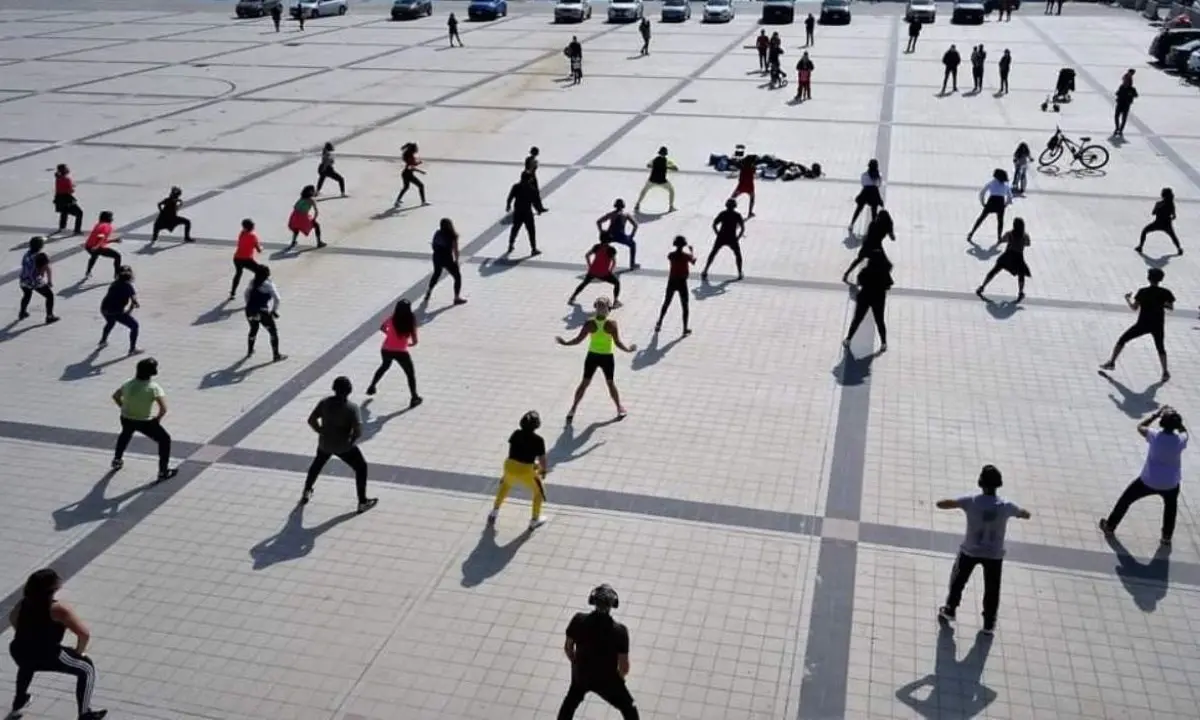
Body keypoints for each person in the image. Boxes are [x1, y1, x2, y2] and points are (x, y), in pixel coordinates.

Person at [936, 465, 1031, 635]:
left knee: (958, 580)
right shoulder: (1006, 506)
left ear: (980, 483)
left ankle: (950, 609)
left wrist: (944, 502)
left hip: (970, 551)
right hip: (994, 555)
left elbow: (944, 504)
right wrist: (1023, 513)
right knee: (992, 588)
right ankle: (989, 622)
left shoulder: (971, 501)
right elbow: (1024, 514)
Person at [7, 568, 108, 720]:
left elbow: (12, 619)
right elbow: (84, 634)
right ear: (52, 587)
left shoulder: (24, 603)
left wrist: (26, 637)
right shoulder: (58, 609)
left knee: (27, 666)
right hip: (47, 654)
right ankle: (85, 713)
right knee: (86, 668)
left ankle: (20, 700)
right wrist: (79, 653)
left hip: (19, 649)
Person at [1099, 406, 1188, 547]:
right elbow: (1184, 432)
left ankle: (1110, 526)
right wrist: (1177, 421)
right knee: (1170, 509)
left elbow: (1140, 426)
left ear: (1162, 423)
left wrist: (1156, 415)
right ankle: (1166, 537)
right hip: (1171, 483)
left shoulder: (1154, 436)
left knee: (1126, 499)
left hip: (1148, 480)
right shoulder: (1180, 440)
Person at [556, 584, 639, 720]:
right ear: (612, 605)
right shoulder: (620, 631)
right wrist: (618, 680)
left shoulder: (578, 620)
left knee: (569, 704)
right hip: (607, 679)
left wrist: (576, 663)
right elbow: (624, 667)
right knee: (629, 707)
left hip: (581, 674)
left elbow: (568, 648)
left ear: (593, 601)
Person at [302, 376, 378, 513]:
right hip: (343, 446)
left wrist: (321, 431)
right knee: (361, 467)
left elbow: (311, 420)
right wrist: (351, 441)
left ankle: (307, 490)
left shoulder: (324, 402)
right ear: (349, 390)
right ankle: (362, 501)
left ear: (334, 389)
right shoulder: (352, 408)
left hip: (325, 443)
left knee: (317, 464)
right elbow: (358, 431)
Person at [557, 297, 636, 423]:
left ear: (596, 309)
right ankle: (619, 408)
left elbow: (578, 340)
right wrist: (628, 350)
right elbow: (617, 343)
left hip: (592, 356)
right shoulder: (611, 324)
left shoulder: (589, 323)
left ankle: (573, 409)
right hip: (606, 357)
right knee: (610, 383)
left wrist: (566, 343)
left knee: (584, 383)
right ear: (608, 309)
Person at [1100, 268, 1174, 382]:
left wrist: (1127, 299)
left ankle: (1112, 362)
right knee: (1160, 348)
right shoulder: (1166, 292)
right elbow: (1170, 307)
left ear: (1149, 278)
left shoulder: (1143, 291)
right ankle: (1165, 372)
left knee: (1123, 339)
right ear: (1161, 279)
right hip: (1158, 324)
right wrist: (1160, 304)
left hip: (1143, 323)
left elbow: (1134, 308)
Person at [110, 356, 178, 480]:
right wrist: (157, 419)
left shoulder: (128, 383)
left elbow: (115, 396)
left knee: (125, 434)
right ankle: (163, 471)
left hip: (126, 417)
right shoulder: (153, 387)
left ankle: (117, 459)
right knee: (164, 440)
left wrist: (123, 407)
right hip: (144, 421)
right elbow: (163, 409)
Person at [487, 411, 549, 529]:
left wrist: (533, 464)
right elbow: (542, 460)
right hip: (526, 471)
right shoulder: (539, 440)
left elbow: (516, 452)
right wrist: (543, 470)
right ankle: (534, 520)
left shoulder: (516, 434)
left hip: (510, 466)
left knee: (505, 486)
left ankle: (494, 511)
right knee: (538, 493)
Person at [366, 299, 422, 406]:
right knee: (410, 374)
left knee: (384, 366)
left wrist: (389, 335)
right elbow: (414, 340)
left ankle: (372, 386)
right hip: (401, 352)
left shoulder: (392, 318)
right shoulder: (411, 320)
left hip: (386, 349)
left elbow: (382, 327)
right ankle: (414, 397)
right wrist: (410, 343)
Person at [842, 248, 892, 352]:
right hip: (878, 298)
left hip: (865, 297)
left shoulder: (865, 271)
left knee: (857, 319)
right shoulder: (884, 272)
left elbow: (860, 281)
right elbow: (888, 285)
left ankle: (848, 339)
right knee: (880, 321)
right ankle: (883, 343)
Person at [975, 217, 1031, 302]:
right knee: (1021, 274)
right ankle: (1020, 292)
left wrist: (999, 242)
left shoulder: (1010, 233)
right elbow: (1028, 244)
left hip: (1007, 256)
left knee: (994, 270)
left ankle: (982, 286)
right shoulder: (1025, 235)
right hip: (1018, 258)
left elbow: (1003, 240)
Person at [244, 265, 285, 362]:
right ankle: (276, 355)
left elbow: (246, 294)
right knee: (273, 332)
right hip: (262, 311)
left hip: (250, 311)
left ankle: (250, 350)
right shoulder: (268, 284)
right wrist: (274, 310)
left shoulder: (252, 282)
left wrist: (249, 305)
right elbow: (277, 299)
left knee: (253, 328)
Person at [424, 218, 467, 306]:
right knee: (457, 277)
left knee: (436, 274)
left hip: (436, 256)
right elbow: (455, 250)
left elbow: (433, 244)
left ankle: (429, 290)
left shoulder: (437, 233)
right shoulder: (453, 236)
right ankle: (456, 297)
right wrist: (456, 261)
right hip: (447, 258)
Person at [842, 209, 894, 283]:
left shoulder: (873, 223)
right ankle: (879, 279)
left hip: (867, 245)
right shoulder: (886, 226)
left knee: (858, 260)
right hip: (877, 247)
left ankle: (847, 273)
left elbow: (868, 235)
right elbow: (892, 238)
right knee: (887, 265)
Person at [568, 236, 621, 306]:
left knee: (584, 283)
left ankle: (572, 297)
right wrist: (610, 271)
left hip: (592, 271)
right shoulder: (611, 249)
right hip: (604, 273)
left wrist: (590, 266)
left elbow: (587, 255)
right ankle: (616, 301)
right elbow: (614, 262)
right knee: (617, 283)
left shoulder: (596, 247)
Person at [657, 236, 694, 335]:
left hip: (672, 281)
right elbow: (693, 261)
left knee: (666, 302)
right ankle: (684, 328)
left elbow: (671, 258)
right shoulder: (686, 256)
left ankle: (659, 322)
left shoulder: (671, 255)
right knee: (685, 306)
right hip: (682, 282)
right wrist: (691, 251)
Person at [99, 265, 139, 354]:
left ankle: (102, 341)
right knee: (134, 326)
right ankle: (132, 349)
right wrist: (129, 311)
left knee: (110, 322)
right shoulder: (128, 286)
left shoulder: (114, 283)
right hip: (116, 311)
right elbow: (133, 301)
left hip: (104, 308)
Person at [18, 236, 58, 324]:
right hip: (34, 280)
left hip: (23, 280)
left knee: (27, 295)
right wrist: (49, 281)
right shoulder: (42, 255)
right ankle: (49, 316)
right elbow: (47, 268)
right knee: (49, 296)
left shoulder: (27, 254)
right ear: (40, 246)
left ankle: (22, 312)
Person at [703, 198, 745, 281]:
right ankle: (740, 273)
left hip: (721, 237)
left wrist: (717, 234)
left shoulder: (723, 213)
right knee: (738, 255)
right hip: (732, 238)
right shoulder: (737, 215)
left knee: (713, 253)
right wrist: (738, 237)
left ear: (726, 205)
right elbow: (742, 228)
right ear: (735, 206)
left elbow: (714, 224)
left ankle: (705, 270)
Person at [966, 169, 1011, 245]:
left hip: (991, 202)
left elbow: (982, 192)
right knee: (1000, 221)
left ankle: (971, 233)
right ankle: (999, 237)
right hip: (1000, 202)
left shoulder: (991, 183)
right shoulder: (1006, 186)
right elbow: (1010, 197)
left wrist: (983, 202)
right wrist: (1005, 204)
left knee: (981, 218)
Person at [506, 171, 543, 255]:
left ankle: (510, 244)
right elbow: (535, 201)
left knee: (515, 229)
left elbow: (510, 197)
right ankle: (533, 249)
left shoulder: (516, 186)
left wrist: (508, 205)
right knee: (531, 231)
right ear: (529, 179)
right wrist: (539, 210)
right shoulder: (532, 189)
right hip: (527, 213)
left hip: (518, 212)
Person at [597, 199, 639, 270]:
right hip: (621, 236)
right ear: (623, 206)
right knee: (633, 244)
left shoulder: (611, 214)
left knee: (602, 247)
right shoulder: (626, 215)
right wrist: (632, 235)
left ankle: (599, 263)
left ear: (615, 206)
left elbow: (599, 222)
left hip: (610, 236)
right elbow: (635, 225)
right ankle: (632, 264)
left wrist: (601, 231)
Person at [1137, 188, 1181, 255]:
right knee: (1173, 236)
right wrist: (1169, 218)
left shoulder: (1159, 203)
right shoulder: (1171, 204)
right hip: (1167, 224)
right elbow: (1174, 216)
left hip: (1157, 223)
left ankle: (1140, 246)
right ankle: (1179, 249)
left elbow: (1153, 213)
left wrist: (1158, 209)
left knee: (1145, 231)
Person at [634, 146, 676, 214]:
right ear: (666, 154)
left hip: (652, 180)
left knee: (644, 191)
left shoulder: (654, 160)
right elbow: (675, 168)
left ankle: (637, 204)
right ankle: (671, 207)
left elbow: (648, 165)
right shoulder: (667, 161)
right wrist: (667, 167)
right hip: (662, 181)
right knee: (671, 190)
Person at [83, 211, 121, 280]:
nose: (112, 219)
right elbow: (101, 237)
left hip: (88, 246)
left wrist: (113, 240)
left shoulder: (99, 224)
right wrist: (96, 247)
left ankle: (88, 272)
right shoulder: (107, 226)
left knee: (94, 256)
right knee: (117, 256)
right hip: (95, 247)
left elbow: (101, 238)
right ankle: (117, 275)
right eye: (111, 217)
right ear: (108, 218)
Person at [230, 218, 262, 299]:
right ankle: (255, 289)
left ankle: (232, 292)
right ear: (251, 227)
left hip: (237, 258)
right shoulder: (253, 236)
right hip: (247, 259)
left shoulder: (242, 233)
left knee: (238, 274)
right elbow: (259, 250)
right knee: (259, 272)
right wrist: (261, 248)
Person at [848, 159, 883, 231]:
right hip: (874, 194)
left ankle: (852, 224)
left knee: (858, 209)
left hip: (865, 194)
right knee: (874, 211)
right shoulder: (879, 175)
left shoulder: (864, 175)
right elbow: (879, 185)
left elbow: (863, 184)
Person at [287, 184, 325, 249]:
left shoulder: (301, 198)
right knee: (317, 226)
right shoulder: (311, 200)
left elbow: (295, 206)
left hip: (294, 215)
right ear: (311, 192)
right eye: (313, 190)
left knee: (296, 228)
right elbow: (316, 211)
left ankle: (293, 241)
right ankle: (319, 242)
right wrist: (314, 219)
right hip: (302, 216)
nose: (314, 191)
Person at [53, 164, 84, 236]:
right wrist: (72, 187)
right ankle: (77, 230)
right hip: (67, 198)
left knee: (64, 212)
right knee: (79, 213)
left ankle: (62, 227)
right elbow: (70, 191)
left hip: (59, 198)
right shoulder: (67, 179)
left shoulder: (58, 178)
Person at [394, 142, 428, 207]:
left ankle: (397, 200)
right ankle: (423, 202)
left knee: (406, 187)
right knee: (421, 185)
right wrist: (420, 169)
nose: (417, 149)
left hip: (405, 174)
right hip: (408, 175)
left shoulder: (409, 156)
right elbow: (411, 166)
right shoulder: (410, 157)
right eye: (416, 148)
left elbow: (411, 166)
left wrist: (418, 165)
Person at [730, 153, 757, 218]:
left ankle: (729, 209)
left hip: (741, 185)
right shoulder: (753, 167)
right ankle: (750, 212)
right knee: (752, 199)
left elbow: (736, 164)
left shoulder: (742, 166)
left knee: (733, 197)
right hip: (750, 186)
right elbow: (754, 171)